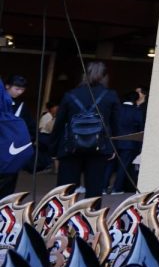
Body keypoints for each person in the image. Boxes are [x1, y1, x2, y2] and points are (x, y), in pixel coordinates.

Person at [50, 61, 120, 197]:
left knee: (65, 190)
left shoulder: (70, 95)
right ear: (105, 76)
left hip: (71, 147)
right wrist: (114, 147)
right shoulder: (111, 96)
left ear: (84, 75)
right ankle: (91, 216)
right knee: (94, 188)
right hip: (100, 147)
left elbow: (58, 124)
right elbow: (116, 125)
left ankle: (63, 216)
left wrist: (54, 149)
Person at [108, 87, 146, 193]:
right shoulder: (137, 111)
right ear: (135, 100)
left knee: (110, 165)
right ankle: (116, 188)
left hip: (114, 141)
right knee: (123, 166)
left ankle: (103, 187)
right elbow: (141, 129)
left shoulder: (116, 110)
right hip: (129, 143)